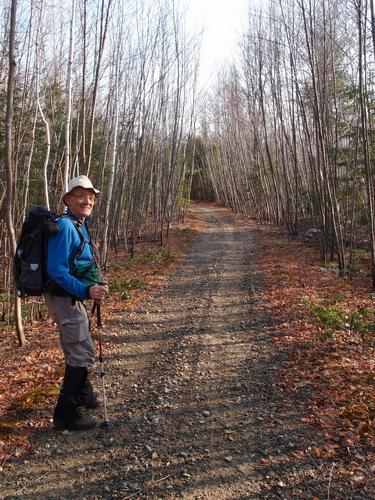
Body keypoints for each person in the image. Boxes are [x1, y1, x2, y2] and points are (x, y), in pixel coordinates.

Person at [44, 175, 108, 431]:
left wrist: (94, 282)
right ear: (68, 199)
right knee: (80, 351)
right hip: (64, 297)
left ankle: (84, 394)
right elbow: (56, 270)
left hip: (72, 295)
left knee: (82, 343)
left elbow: (78, 262)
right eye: (81, 195)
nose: (88, 200)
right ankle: (65, 415)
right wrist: (85, 289)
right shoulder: (66, 227)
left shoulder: (79, 223)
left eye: (91, 196)